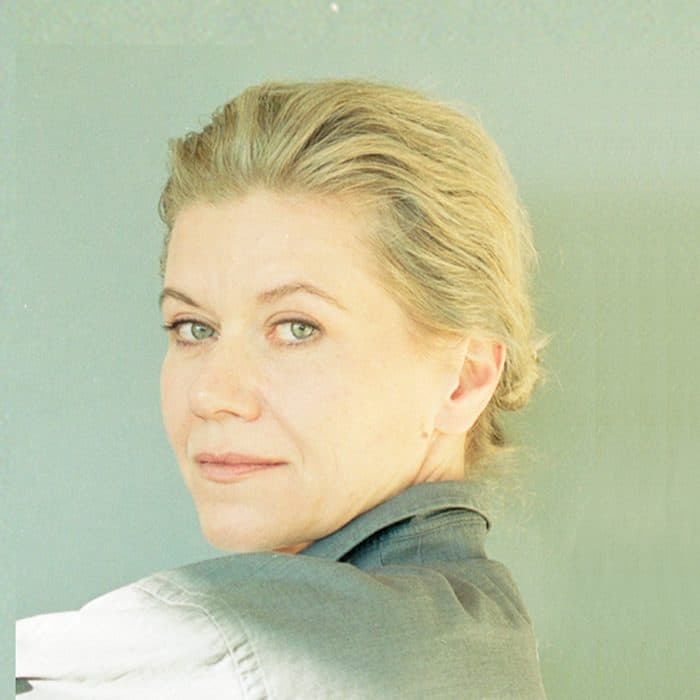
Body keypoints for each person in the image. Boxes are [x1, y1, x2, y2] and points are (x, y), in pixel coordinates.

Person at [16, 78, 550, 698]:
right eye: (193, 327)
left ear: (463, 380)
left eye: (297, 328)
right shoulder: (480, 638)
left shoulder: (236, 652)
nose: (212, 395)